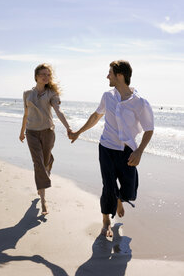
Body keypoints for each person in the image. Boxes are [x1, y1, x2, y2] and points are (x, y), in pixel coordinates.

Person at [68, 60, 154, 237]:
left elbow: (149, 129)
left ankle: (119, 198)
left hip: (127, 151)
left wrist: (139, 151)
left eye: (110, 73)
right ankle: (106, 220)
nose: (107, 76)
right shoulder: (108, 96)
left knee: (129, 190)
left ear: (120, 75)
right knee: (108, 185)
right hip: (106, 147)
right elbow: (96, 116)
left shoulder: (139, 102)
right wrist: (78, 132)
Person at [19, 63, 71, 215]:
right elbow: (26, 114)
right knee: (38, 163)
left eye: (48, 74)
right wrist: (22, 132)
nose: (46, 77)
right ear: (36, 76)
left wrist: (68, 127)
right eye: (43, 74)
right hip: (32, 133)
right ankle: (43, 201)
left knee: (45, 161)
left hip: (48, 132)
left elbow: (58, 111)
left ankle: (48, 165)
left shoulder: (52, 93)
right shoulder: (27, 94)